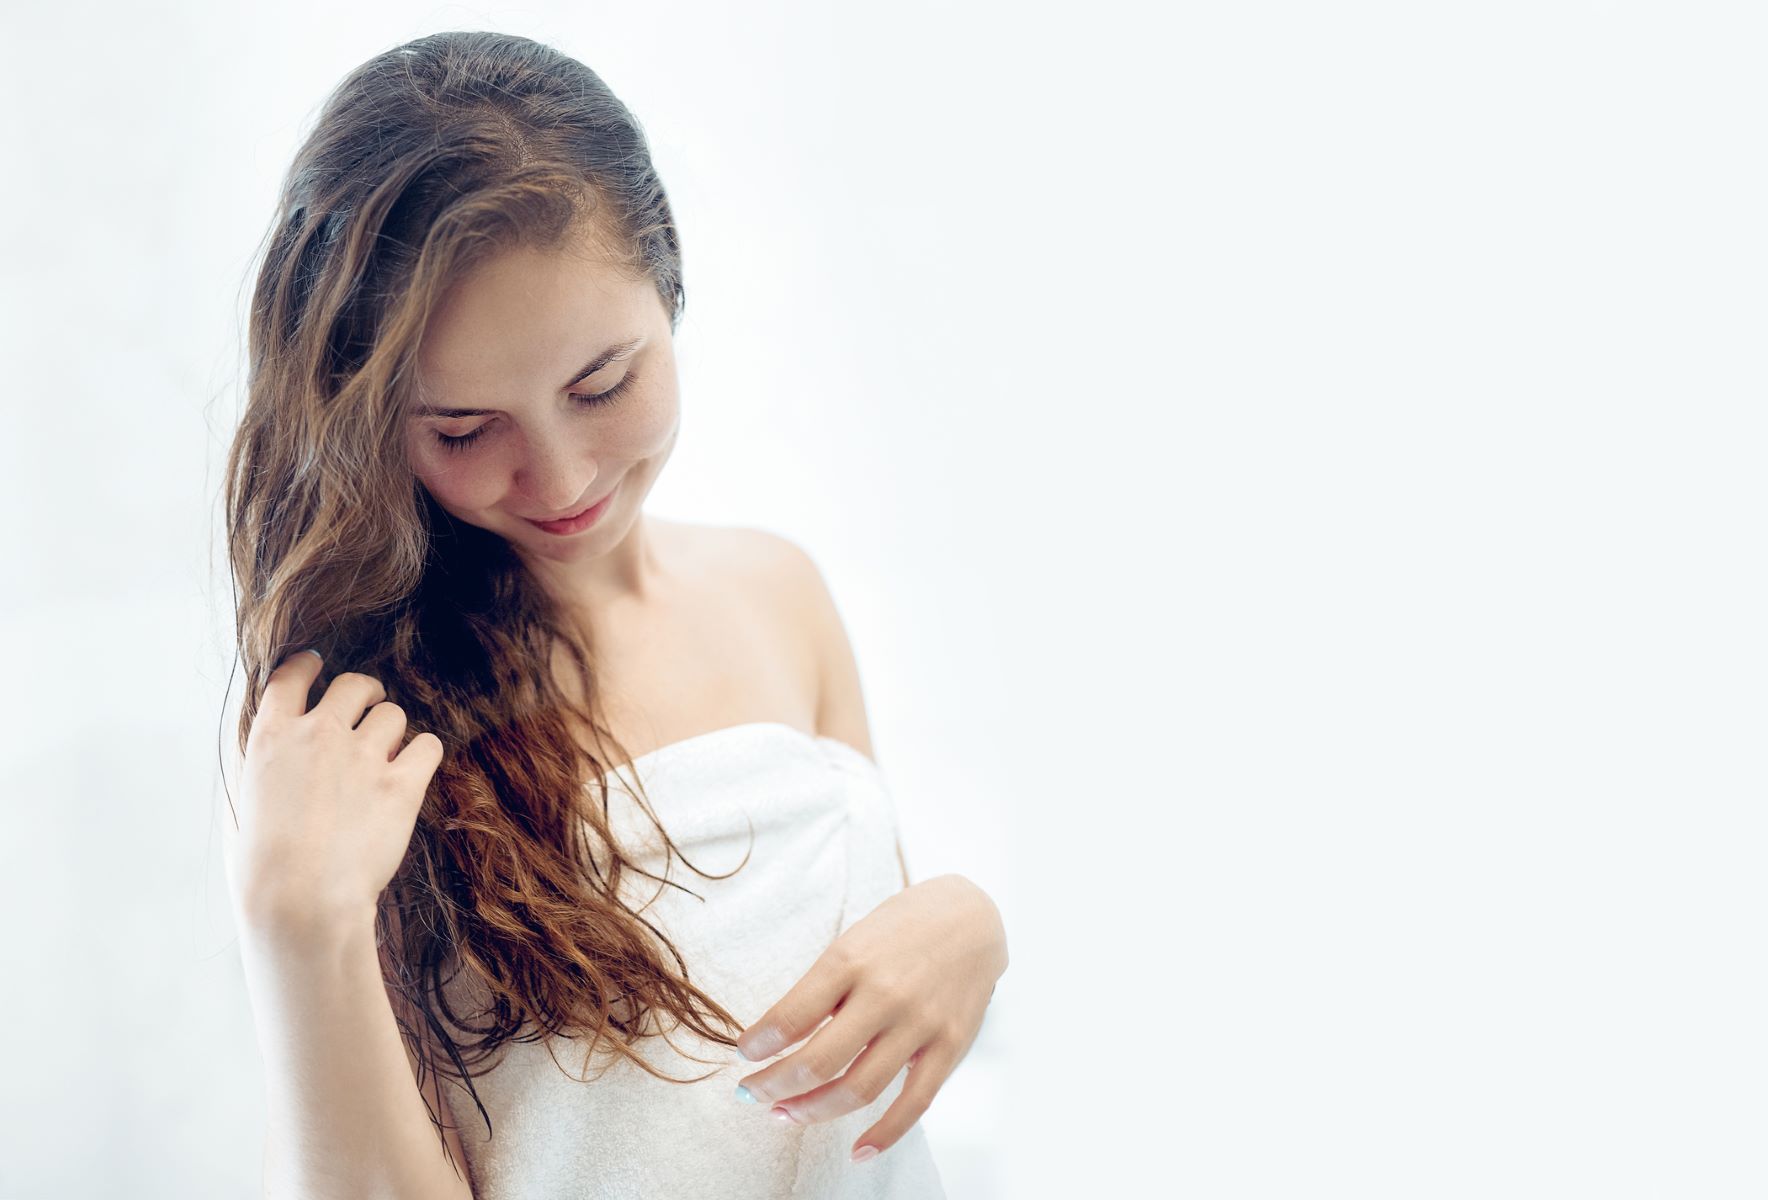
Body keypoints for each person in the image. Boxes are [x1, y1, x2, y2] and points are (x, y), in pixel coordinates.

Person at [215, 29, 1007, 1200]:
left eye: (602, 385)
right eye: (463, 429)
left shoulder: (781, 591)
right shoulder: (346, 726)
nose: (562, 477)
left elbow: (862, 1012)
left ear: (669, 287)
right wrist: (294, 924)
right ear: (371, 416)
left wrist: (969, 927)